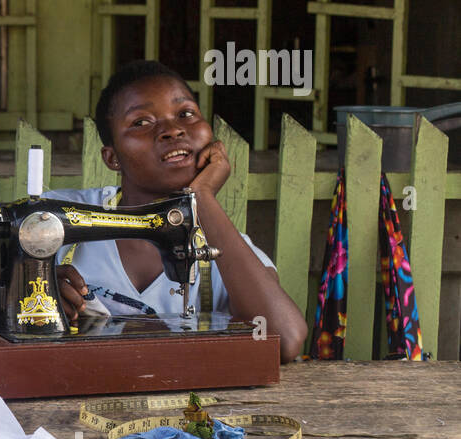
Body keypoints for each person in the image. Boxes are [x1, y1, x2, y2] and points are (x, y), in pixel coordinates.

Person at [47, 60, 308, 361]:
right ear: (112, 157)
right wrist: (40, 297)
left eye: (185, 114)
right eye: (141, 122)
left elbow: (284, 340)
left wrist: (201, 197)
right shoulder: (58, 218)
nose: (172, 130)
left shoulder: (225, 250)